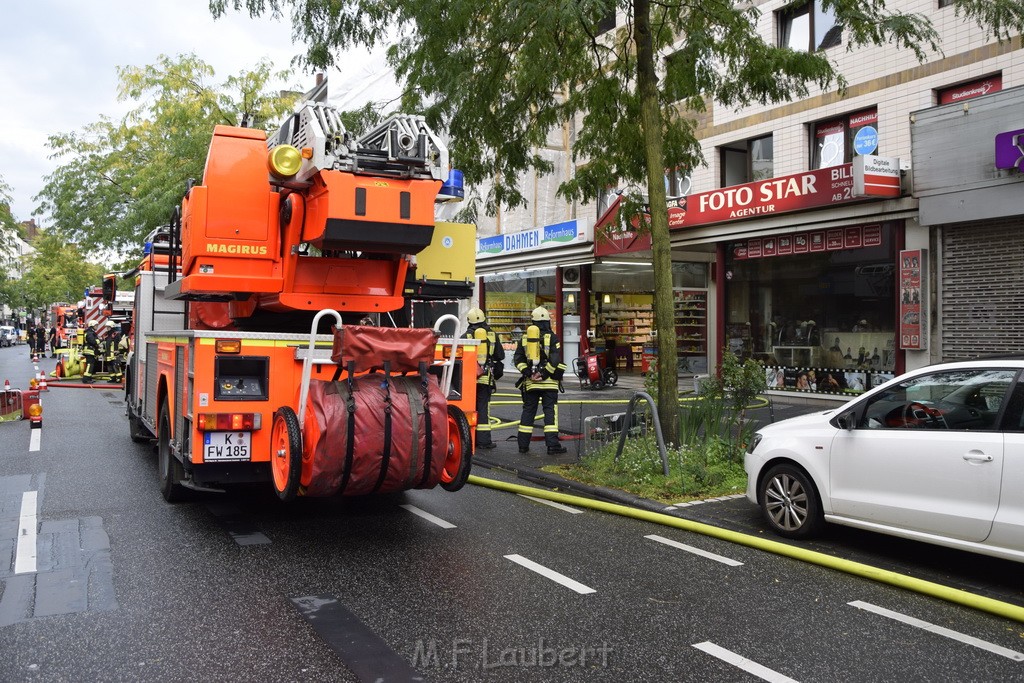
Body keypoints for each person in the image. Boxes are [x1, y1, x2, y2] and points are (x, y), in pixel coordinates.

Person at [513, 306, 567, 455]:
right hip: (549, 383)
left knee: (528, 411)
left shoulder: (525, 338)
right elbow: (555, 359)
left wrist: (529, 373)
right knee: (550, 412)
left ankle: (523, 445)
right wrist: (544, 374)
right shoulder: (552, 337)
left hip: (531, 383)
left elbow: (518, 360)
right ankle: (552, 445)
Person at [463, 307, 505, 450]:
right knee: (483, 409)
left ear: (469, 321)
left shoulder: (466, 336)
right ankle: (484, 441)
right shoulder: (492, 335)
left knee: (468, 409)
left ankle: (467, 440)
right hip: (485, 379)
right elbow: (500, 356)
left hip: (468, 381)